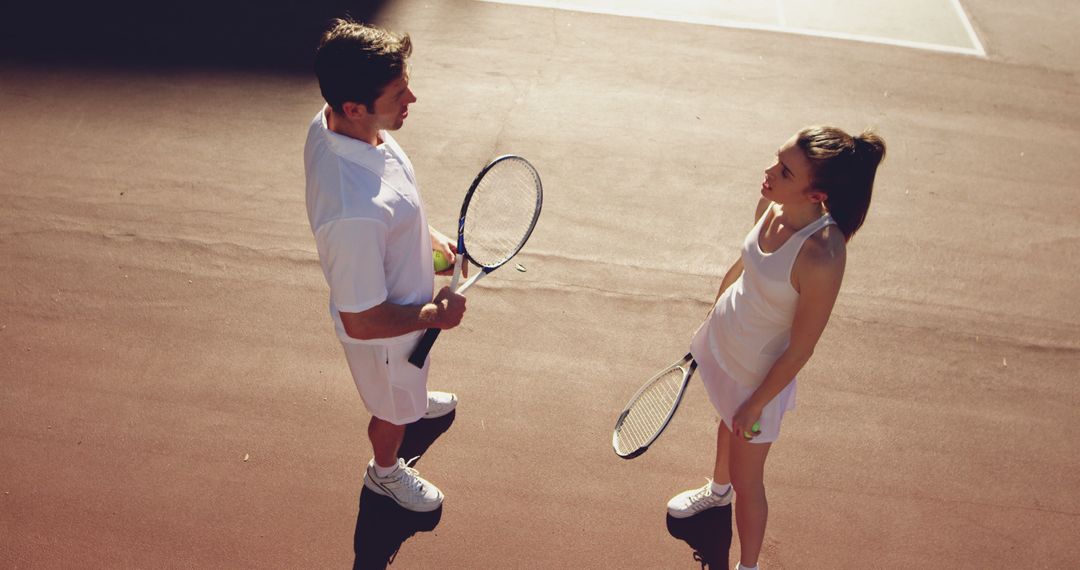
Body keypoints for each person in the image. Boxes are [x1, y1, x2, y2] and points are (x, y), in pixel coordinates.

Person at [666, 126, 886, 570]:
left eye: (785, 171)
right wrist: (712, 319)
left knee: (751, 481)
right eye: (776, 159)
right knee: (724, 423)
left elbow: (802, 349)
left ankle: (748, 566)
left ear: (817, 192)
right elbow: (745, 265)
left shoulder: (822, 256)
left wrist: (757, 404)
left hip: (759, 375)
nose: (768, 172)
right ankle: (716, 492)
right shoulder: (773, 203)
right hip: (727, 340)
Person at [304, 18, 467, 513]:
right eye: (399, 93)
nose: (411, 99)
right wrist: (433, 316)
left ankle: (409, 400)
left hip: (403, 331)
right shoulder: (352, 214)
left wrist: (424, 238)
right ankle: (386, 473)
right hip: (386, 340)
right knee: (391, 412)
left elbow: (391, 203)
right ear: (355, 107)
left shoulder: (336, 121)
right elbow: (363, 319)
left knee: (406, 393)